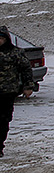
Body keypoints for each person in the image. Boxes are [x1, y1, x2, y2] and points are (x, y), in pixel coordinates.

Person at [0, 26, 35, 157]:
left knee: (3, 120)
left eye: (1, 38)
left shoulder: (15, 53)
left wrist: (28, 87)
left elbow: (26, 70)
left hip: (7, 92)